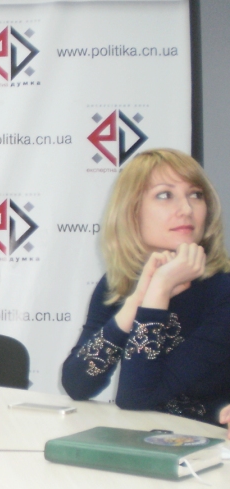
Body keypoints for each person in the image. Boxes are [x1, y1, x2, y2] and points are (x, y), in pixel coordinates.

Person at [62, 148, 230, 426]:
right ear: (131, 212)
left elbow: (136, 398)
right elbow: (77, 384)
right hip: (146, 439)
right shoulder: (117, 282)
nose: (186, 209)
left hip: (211, 445)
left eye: (196, 195)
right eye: (165, 195)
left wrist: (159, 292)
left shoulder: (223, 291)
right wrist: (136, 300)